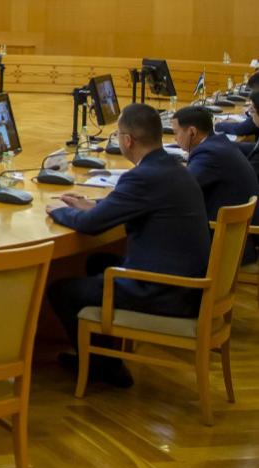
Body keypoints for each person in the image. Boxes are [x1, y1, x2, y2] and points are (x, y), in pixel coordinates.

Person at [46, 103, 211, 388]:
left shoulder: (143, 176)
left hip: (163, 292)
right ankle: (105, 359)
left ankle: (101, 368)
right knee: (97, 262)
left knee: (61, 290)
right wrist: (92, 205)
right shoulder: (171, 167)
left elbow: (91, 225)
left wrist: (57, 212)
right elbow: (130, 204)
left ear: (127, 140)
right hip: (187, 285)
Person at [172, 106, 259, 263]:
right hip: (239, 240)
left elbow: (180, 190)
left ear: (192, 132)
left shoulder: (208, 154)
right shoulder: (219, 143)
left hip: (226, 248)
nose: (174, 139)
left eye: (176, 133)